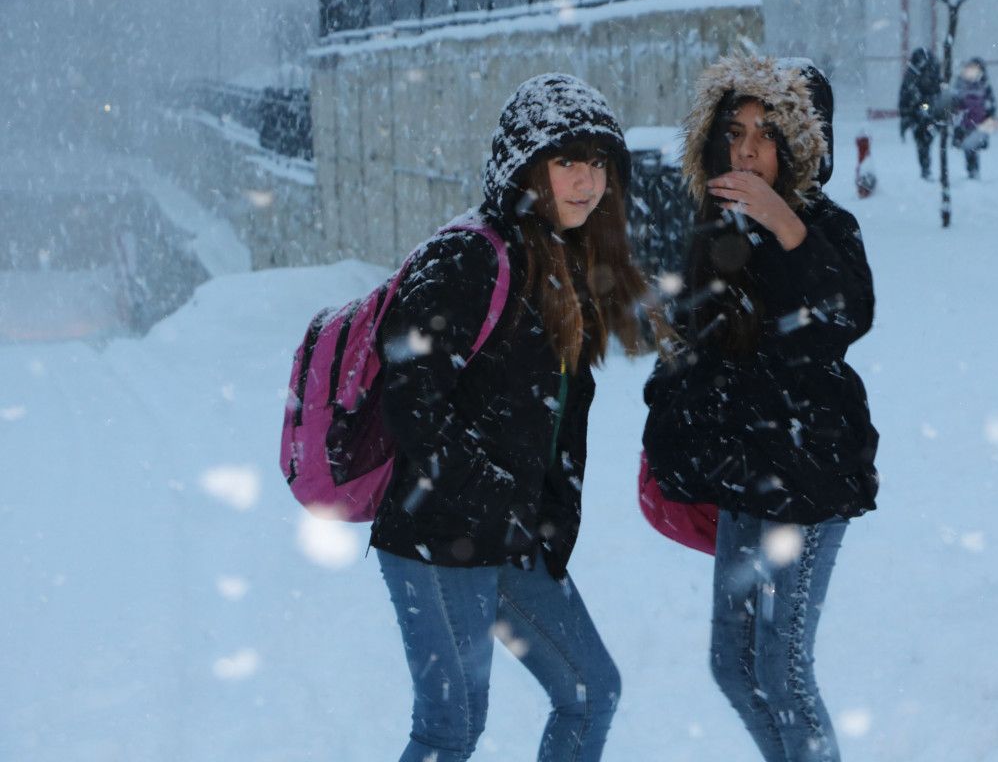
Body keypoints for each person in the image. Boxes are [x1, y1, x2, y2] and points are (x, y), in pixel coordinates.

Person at [369, 73, 653, 762]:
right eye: (567, 161)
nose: (586, 180)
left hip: (510, 536)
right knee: (451, 727)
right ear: (526, 165)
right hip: (439, 533)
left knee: (589, 691)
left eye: (598, 163)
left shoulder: (561, 261)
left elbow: (558, 419)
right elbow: (411, 396)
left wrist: (545, 516)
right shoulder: (466, 255)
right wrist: (492, 496)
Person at [643, 54, 880, 762]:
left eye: (767, 134)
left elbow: (846, 318)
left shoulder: (825, 227)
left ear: (799, 146)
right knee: (733, 665)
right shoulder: (713, 230)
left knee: (782, 669)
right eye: (735, 132)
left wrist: (785, 225)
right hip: (745, 477)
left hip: (809, 475)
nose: (747, 151)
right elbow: (694, 350)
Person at [898, 47, 943, 180]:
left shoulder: (931, 73)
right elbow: (904, 96)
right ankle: (925, 168)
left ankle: (926, 168)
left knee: (925, 141)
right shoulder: (912, 74)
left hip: (928, 113)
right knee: (922, 142)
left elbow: (937, 93)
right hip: (917, 115)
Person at [950, 57, 997, 179]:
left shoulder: (983, 85)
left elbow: (991, 104)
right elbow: (954, 101)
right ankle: (972, 170)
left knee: (972, 148)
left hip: (977, 123)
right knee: (970, 148)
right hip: (966, 122)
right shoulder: (963, 83)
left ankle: (973, 170)